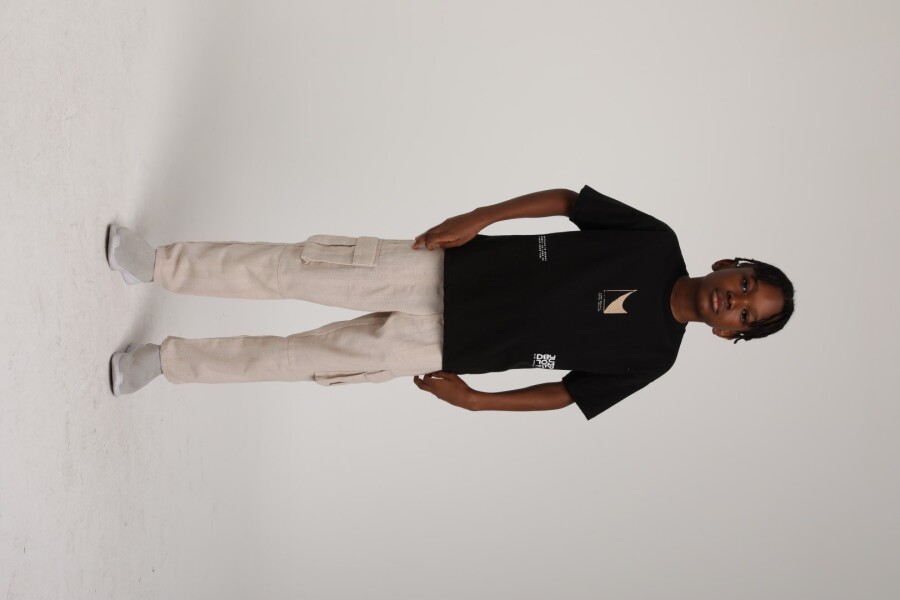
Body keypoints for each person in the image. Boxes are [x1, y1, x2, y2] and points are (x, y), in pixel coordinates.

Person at [107, 186, 795, 420]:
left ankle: (166, 363)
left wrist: (477, 401)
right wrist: (480, 217)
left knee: (299, 360)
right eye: (745, 285)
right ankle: (158, 265)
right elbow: (567, 201)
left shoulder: (654, 358)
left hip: (443, 347)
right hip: (439, 270)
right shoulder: (655, 241)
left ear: (728, 335)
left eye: (745, 315)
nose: (733, 301)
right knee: (294, 268)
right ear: (730, 264)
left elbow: (567, 394)